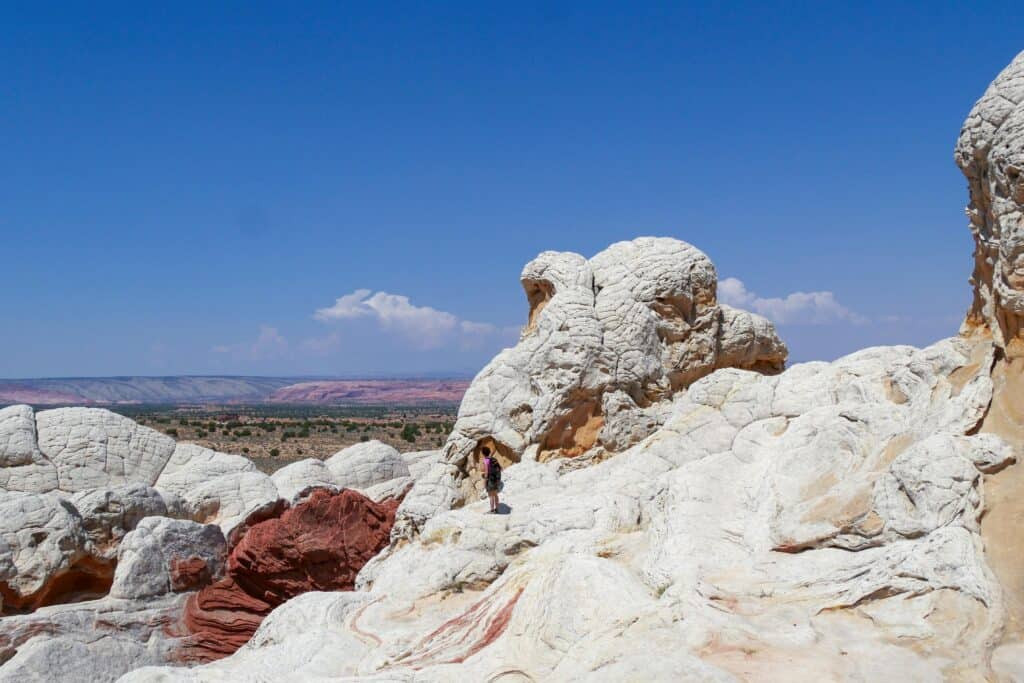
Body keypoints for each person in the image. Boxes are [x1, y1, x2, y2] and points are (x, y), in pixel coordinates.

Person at [479, 446, 501, 514]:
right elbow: (499, 468)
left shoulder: (486, 460)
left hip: (490, 480)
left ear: (483, 453)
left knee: (491, 496)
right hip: (496, 479)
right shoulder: (493, 459)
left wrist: (485, 482)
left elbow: (486, 472)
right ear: (489, 452)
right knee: (496, 495)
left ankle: (492, 510)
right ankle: (497, 509)